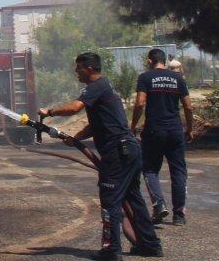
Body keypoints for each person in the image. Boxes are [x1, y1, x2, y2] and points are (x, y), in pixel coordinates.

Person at [40, 52, 163, 260]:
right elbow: (97, 123)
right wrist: (76, 137)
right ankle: (150, 245)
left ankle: (111, 249)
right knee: (134, 199)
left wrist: (49, 112)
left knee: (110, 200)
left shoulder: (95, 87)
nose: (76, 71)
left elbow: (75, 108)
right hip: (128, 150)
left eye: (78, 67)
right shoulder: (104, 88)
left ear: (89, 68)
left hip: (118, 153)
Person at [131, 48, 194, 225]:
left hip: (154, 131)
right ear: (164, 61)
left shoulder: (145, 77)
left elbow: (140, 103)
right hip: (175, 131)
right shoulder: (178, 78)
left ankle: (159, 204)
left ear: (150, 61)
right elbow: (188, 107)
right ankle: (179, 215)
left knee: (150, 169)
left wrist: (133, 125)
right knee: (179, 171)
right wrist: (189, 129)